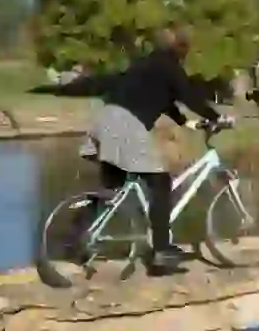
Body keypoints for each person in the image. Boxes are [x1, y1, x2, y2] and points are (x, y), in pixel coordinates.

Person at [78, 24, 228, 275]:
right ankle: (161, 251)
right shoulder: (170, 66)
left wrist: (187, 123)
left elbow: (166, 101)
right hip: (126, 124)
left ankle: (79, 234)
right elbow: (188, 95)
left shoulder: (145, 66)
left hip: (102, 121)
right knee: (160, 182)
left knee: (113, 189)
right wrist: (216, 118)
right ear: (181, 49)